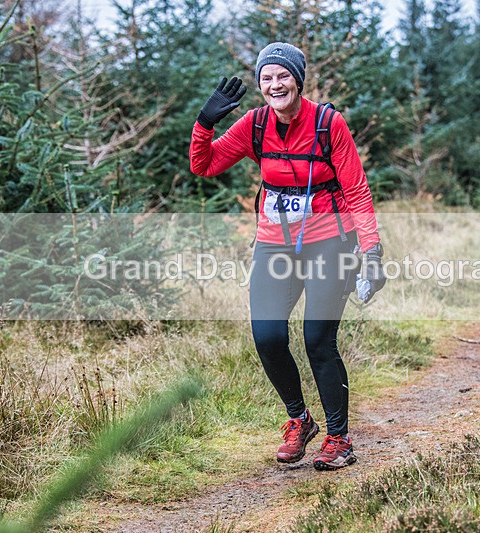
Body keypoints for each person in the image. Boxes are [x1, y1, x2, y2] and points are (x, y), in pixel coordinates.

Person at [189, 42, 386, 470]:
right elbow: (203, 165)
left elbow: (356, 190)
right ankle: (300, 420)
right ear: (260, 84)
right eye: (266, 78)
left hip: (328, 242)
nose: (275, 84)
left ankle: (339, 439)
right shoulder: (254, 125)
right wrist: (205, 122)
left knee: (318, 340)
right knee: (268, 337)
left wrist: (370, 249)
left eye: (282, 76)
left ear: (298, 79)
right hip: (274, 244)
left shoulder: (329, 124)